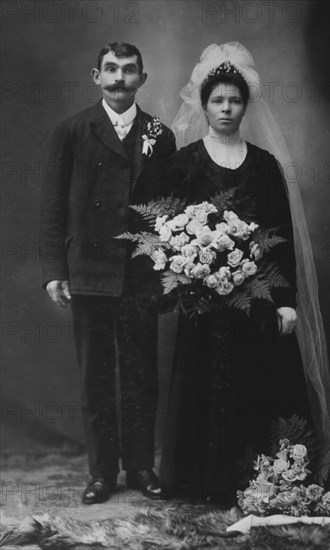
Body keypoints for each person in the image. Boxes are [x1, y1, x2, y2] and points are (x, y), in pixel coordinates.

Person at [159, 43, 330, 504]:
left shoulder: (264, 165)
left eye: (234, 100)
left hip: (255, 302)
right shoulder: (183, 163)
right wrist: (188, 268)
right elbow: (166, 231)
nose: (225, 108)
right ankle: (197, 481)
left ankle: (257, 479)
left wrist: (286, 301)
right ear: (203, 105)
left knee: (256, 387)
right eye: (217, 100)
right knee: (202, 387)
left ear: (246, 105)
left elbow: (280, 238)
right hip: (202, 302)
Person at [39, 42, 176, 504]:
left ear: (143, 78)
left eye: (129, 71)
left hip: (140, 276)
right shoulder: (72, 130)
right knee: (95, 377)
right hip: (90, 273)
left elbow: (170, 212)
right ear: (95, 75)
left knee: (140, 376)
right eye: (111, 70)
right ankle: (101, 473)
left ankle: (140, 467)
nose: (119, 79)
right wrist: (55, 270)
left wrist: (167, 269)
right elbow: (52, 207)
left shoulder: (160, 134)